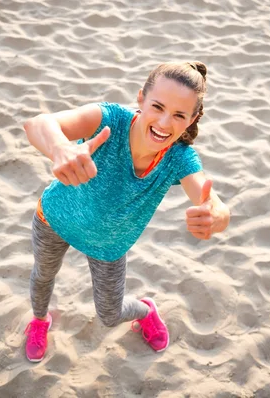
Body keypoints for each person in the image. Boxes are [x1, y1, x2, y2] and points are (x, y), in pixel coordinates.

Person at [22, 61, 230, 362]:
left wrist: (218, 217)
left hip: (109, 244)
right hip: (54, 219)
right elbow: (38, 124)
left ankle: (146, 310)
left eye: (179, 115)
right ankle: (39, 321)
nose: (164, 123)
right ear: (141, 98)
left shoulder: (180, 159)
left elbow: (212, 202)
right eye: (157, 106)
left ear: (192, 119)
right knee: (43, 276)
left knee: (109, 313)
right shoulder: (108, 120)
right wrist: (59, 149)